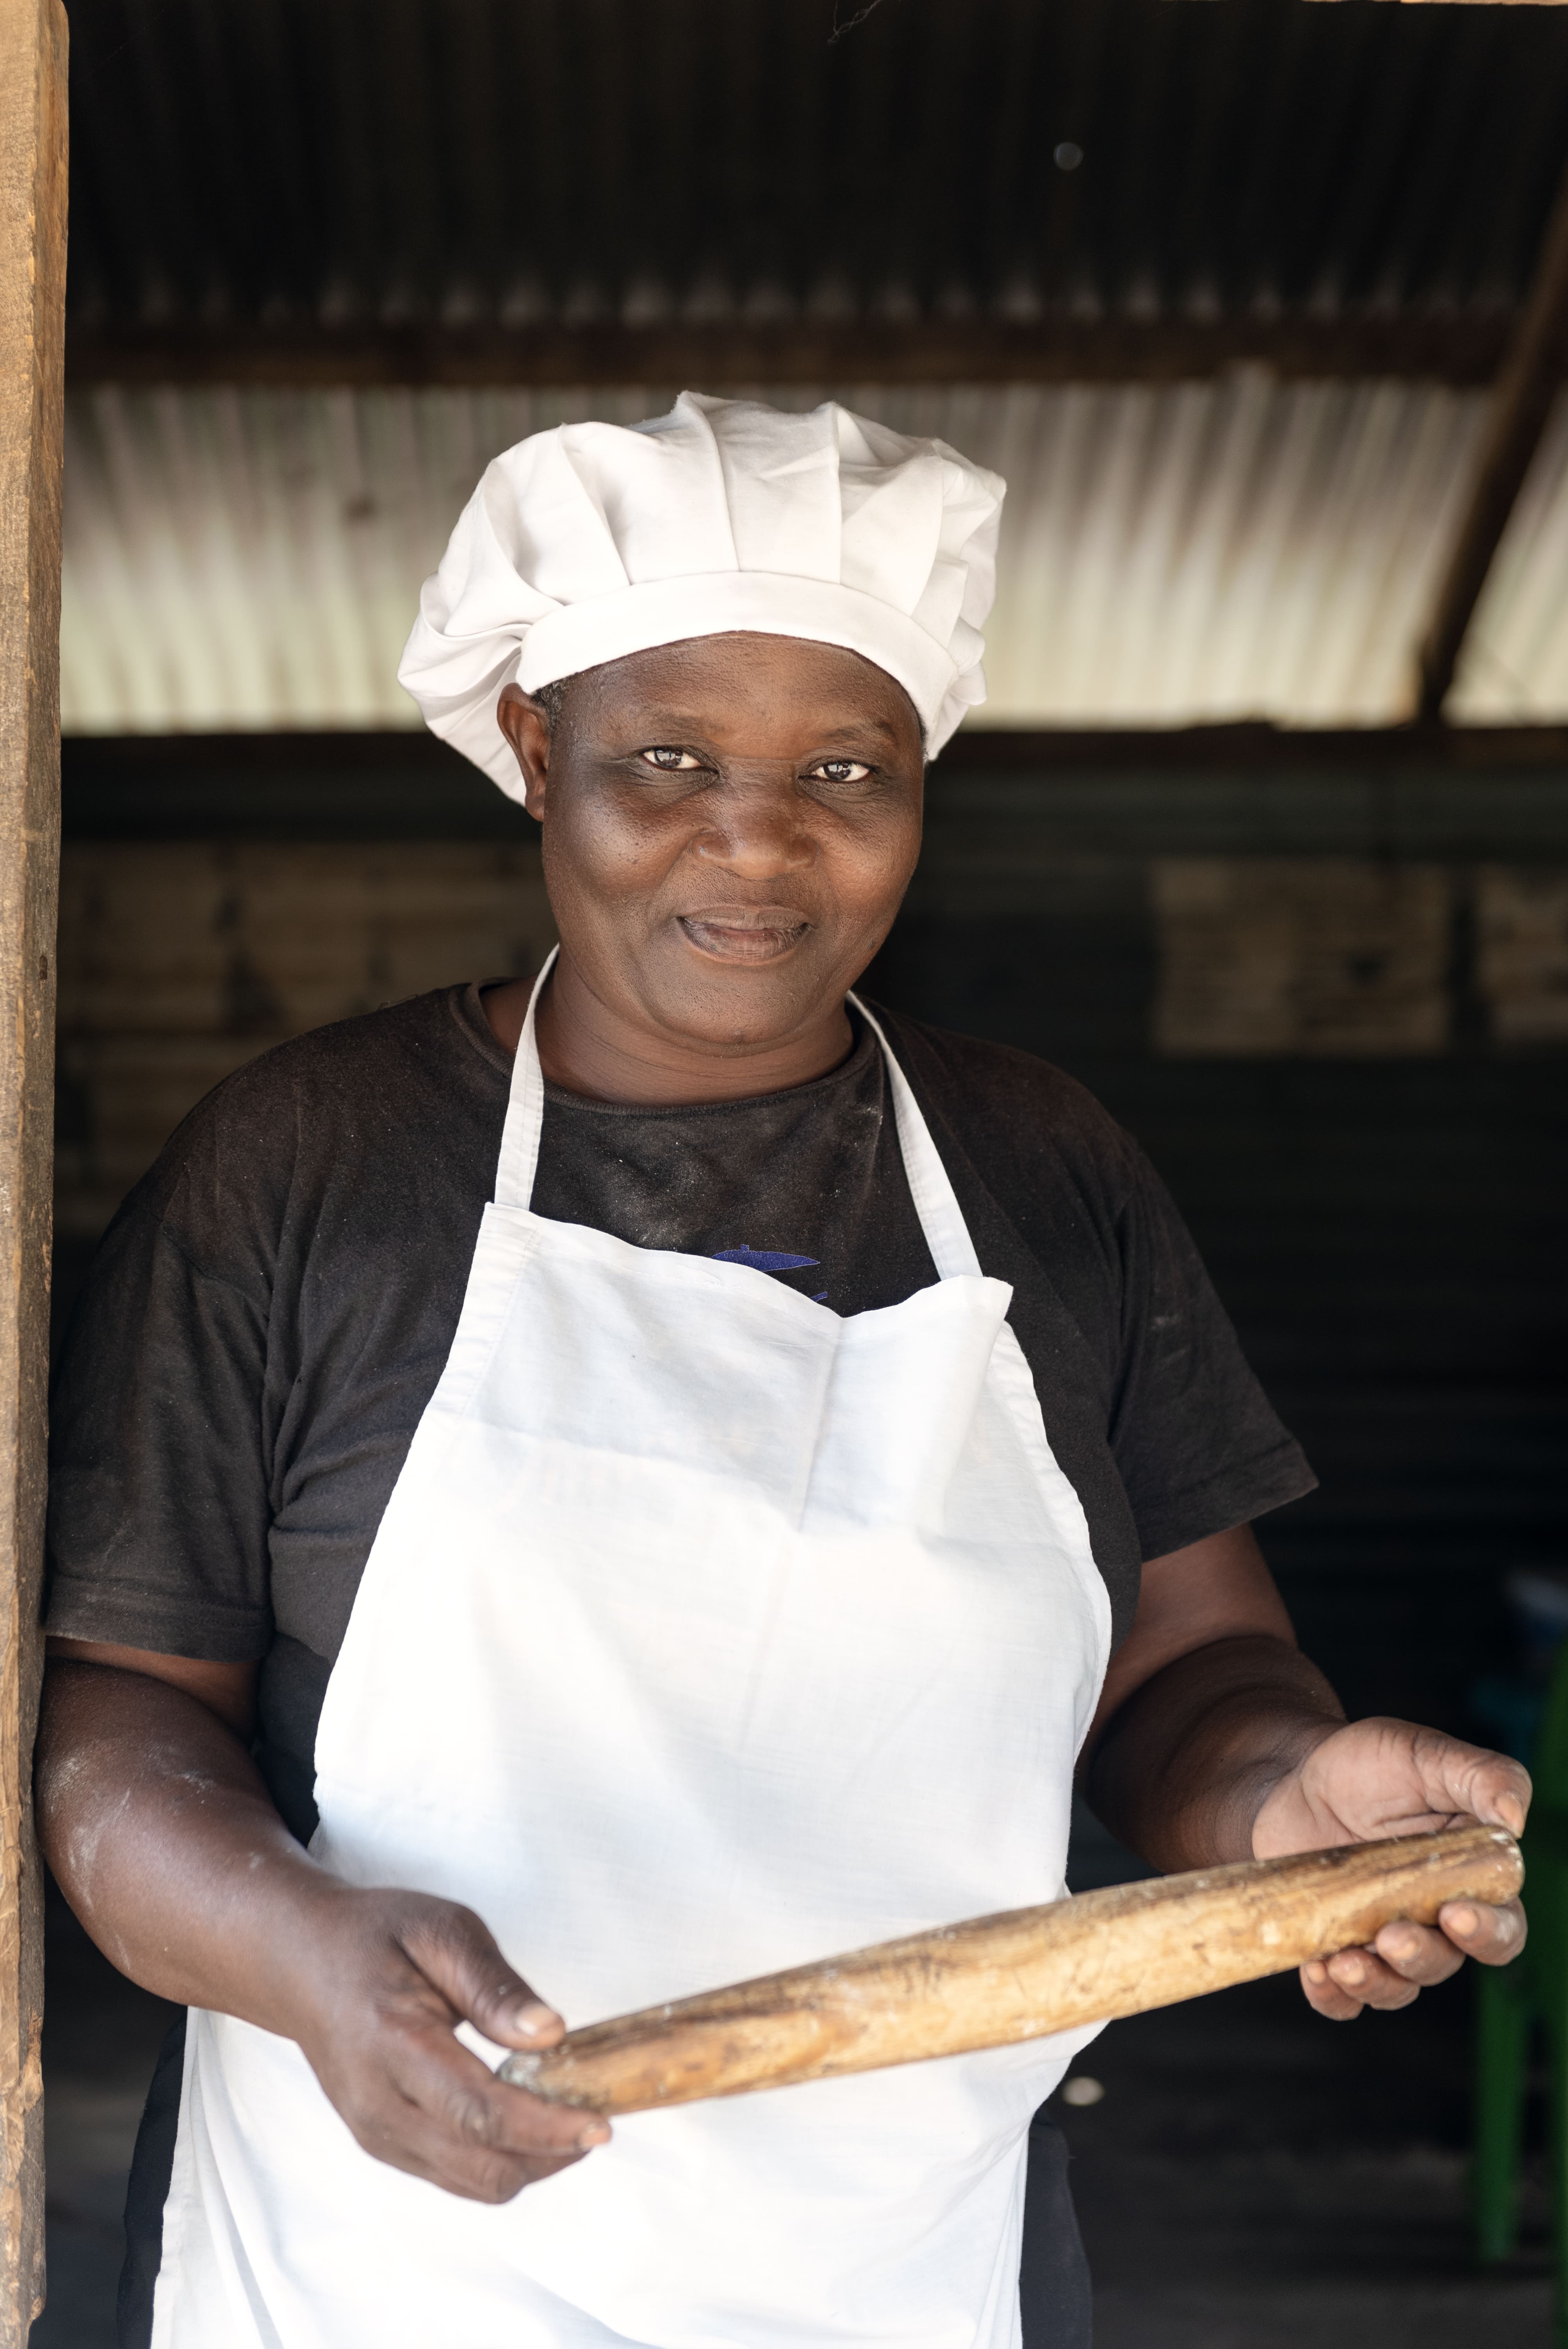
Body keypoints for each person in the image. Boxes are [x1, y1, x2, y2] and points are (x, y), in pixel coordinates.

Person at [38, 394, 1527, 2349]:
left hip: (910, 2253)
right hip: (382, 2256)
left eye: (846, 764)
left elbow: (1185, 1669)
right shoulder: (310, 1166)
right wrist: (303, 1952)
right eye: (662, 758)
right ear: (530, 750)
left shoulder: (1037, 1166)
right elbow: (119, 1730)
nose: (757, 839)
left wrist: (1282, 1799)